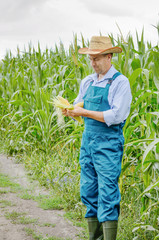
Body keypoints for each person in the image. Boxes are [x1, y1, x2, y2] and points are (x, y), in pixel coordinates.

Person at [62, 36, 132, 240]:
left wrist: (83, 113)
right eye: (90, 59)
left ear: (109, 57)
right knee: (88, 191)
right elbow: (79, 104)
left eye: (97, 59)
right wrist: (72, 111)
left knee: (108, 194)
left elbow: (116, 116)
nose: (92, 63)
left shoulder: (120, 82)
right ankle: (95, 237)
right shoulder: (88, 81)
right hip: (88, 143)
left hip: (108, 144)